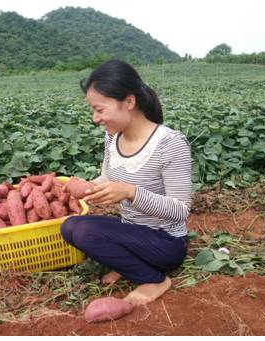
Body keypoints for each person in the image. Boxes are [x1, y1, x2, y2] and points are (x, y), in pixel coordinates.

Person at [60, 60, 192, 306]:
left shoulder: (170, 144)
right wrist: (87, 186)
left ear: (129, 102)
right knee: (69, 227)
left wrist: (131, 192)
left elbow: (180, 210)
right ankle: (131, 263)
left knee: (86, 232)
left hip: (165, 242)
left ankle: (154, 279)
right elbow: (109, 176)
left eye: (100, 109)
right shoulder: (113, 137)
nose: (95, 118)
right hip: (131, 230)